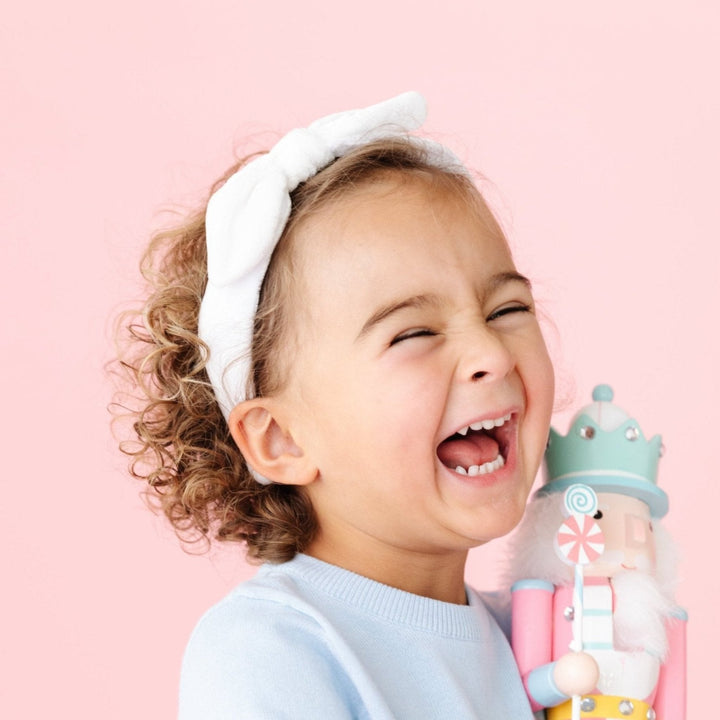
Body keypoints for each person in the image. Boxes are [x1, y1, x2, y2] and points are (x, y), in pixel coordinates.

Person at [116, 91, 556, 718]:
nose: (491, 351)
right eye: (413, 333)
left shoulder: (539, 644)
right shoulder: (267, 651)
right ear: (281, 440)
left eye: (506, 309)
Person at [507, 386, 687, 720]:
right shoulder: (541, 595)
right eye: (602, 518)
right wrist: (560, 679)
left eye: (641, 526)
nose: (630, 540)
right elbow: (518, 695)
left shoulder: (666, 615)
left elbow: (673, 705)